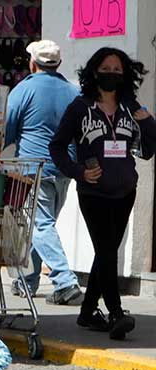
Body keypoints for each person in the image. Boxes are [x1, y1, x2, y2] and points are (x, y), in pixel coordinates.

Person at [50, 46, 156, 340]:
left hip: (125, 191)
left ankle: (87, 312)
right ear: (94, 72)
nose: (112, 75)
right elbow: (57, 147)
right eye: (106, 70)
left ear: (126, 76)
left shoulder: (130, 108)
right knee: (107, 250)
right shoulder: (80, 107)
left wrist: (147, 121)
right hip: (93, 192)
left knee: (105, 251)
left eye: (118, 71)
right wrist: (78, 171)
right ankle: (117, 312)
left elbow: (149, 148)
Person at [4, 40, 82, 306]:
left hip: (33, 168)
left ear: (32, 63)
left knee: (39, 224)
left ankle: (65, 281)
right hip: (64, 169)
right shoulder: (73, 92)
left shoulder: (22, 90)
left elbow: (7, 130)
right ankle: (28, 280)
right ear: (58, 64)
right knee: (43, 223)